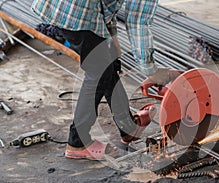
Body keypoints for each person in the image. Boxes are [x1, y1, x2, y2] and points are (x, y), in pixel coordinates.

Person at [31, 0, 177, 161]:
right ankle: (77, 142)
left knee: (108, 65)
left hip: (66, 7)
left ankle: (128, 128)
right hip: (75, 13)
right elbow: (137, 23)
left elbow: (106, 5)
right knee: (98, 73)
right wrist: (152, 70)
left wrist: (112, 38)